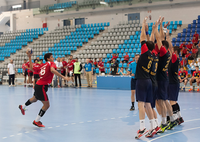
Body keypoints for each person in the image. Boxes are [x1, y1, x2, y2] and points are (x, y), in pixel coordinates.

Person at [19, 52, 69, 127]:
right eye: (52, 57)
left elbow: (32, 68)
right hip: (41, 86)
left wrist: (29, 57)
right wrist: (63, 77)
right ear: (48, 59)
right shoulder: (51, 63)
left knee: (34, 99)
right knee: (47, 105)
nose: (53, 58)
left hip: (38, 85)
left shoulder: (42, 65)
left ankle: (22, 106)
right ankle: (36, 121)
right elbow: (52, 70)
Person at [135, 17, 156, 139]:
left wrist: (143, 24)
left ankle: (142, 128)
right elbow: (149, 41)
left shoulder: (145, 52)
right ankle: (153, 127)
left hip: (142, 81)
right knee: (148, 104)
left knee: (141, 104)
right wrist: (150, 31)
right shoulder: (152, 54)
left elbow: (142, 39)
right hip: (148, 81)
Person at [155, 18, 177, 133]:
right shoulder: (167, 52)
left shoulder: (163, 52)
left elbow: (159, 38)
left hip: (160, 79)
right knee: (166, 100)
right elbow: (162, 39)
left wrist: (158, 25)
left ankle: (163, 123)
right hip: (164, 78)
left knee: (162, 101)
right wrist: (163, 28)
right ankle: (172, 119)